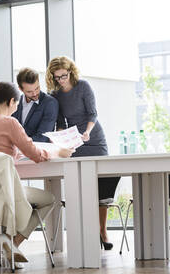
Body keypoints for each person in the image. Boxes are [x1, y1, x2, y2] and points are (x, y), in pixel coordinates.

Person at [0, 82, 73, 267]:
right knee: (49, 199)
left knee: (22, 196)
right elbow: (34, 153)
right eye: (17, 104)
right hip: (6, 191)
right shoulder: (10, 123)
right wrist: (58, 152)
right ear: (11, 101)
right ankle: (13, 242)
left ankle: (6, 243)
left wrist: (13, 152)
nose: (17, 108)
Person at [46, 56, 120, 250]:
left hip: (93, 137)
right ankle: (84, 233)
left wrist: (87, 132)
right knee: (79, 183)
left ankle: (102, 231)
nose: (61, 80)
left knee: (101, 184)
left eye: (64, 75)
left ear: (71, 71)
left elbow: (92, 113)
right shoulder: (56, 94)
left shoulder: (83, 86)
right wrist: (62, 139)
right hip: (74, 140)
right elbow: (61, 122)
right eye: (57, 77)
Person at [12, 68, 58, 142]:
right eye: (29, 91)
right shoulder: (15, 103)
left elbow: (43, 136)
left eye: (37, 88)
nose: (35, 94)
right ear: (20, 89)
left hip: (38, 150)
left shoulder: (50, 103)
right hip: (15, 151)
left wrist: (19, 143)